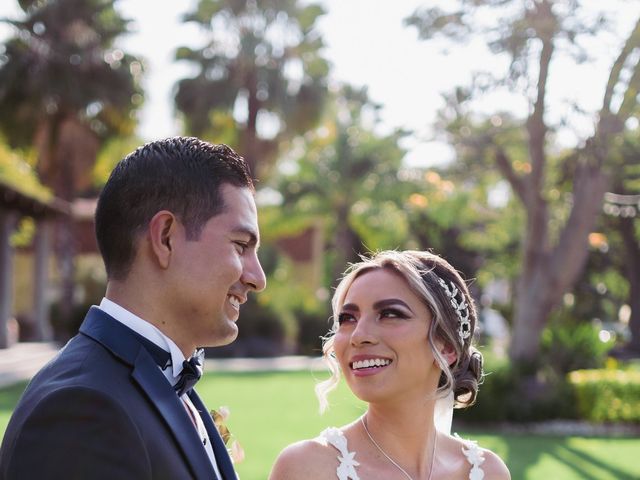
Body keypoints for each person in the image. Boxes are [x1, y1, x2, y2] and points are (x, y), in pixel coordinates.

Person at [0, 137, 266, 480]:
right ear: (166, 237)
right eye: (241, 246)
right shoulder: (81, 411)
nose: (258, 278)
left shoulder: (155, 383)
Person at [270, 250, 510, 480]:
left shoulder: (486, 472)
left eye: (390, 314)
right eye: (348, 318)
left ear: (446, 347)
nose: (358, 335)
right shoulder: (307, 469)